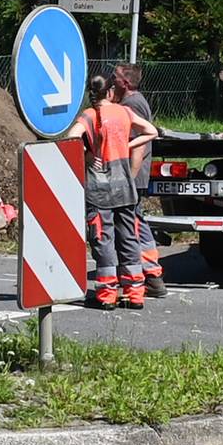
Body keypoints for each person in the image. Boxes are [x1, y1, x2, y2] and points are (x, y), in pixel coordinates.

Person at [61, 74, 159, 309]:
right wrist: (128, 144)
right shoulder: (123, 112)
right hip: (125, 187)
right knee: (129, 238)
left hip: (99, 190)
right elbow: (151, 131)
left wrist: (87, 153)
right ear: (110, 92)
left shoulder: (90, 115)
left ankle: (106, 295)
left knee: (103, 240)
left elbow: (69, 138)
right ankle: (135, 293)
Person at [112, 64, 166, 294]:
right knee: (135, 221)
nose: (111, 80)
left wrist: (129, 179)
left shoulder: (132, 104)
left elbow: (137, 146)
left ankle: (151, 275)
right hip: (132, 175)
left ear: (124, 82)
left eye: (114, 77)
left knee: (135, 223)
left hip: (133, 175)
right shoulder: (130, 102)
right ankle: (149, 274)